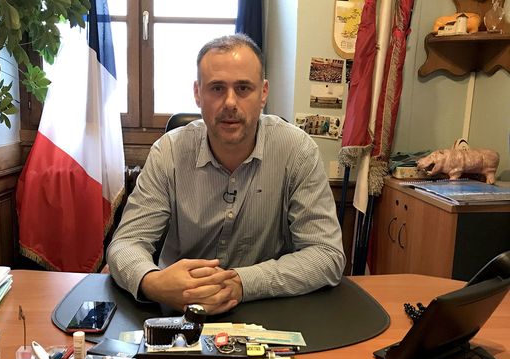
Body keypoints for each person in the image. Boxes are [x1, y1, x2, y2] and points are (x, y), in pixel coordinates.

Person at [107, 34, 345, 315]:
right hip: (176, 308)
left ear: (263, 93)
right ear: (198, 93)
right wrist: (152, 281)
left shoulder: (297, 151)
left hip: (268, 308)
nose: (230, 102)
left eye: (243, 88)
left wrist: (242, 283)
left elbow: (326, 255)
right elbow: (126, 243)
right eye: (217, 88)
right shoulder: (168, 152)